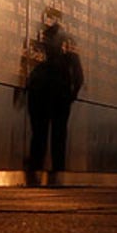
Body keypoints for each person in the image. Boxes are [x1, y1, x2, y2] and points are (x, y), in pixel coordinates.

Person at [21, 17, 84, 185]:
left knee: (53, 135)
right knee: (48, 135)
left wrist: (71, 95)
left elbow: (78, 78)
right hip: (48, 99)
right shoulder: (51, 60)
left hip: (57, 100)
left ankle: (53, 171)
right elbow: (78, 78)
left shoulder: (67, 59)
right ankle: (44, 170)